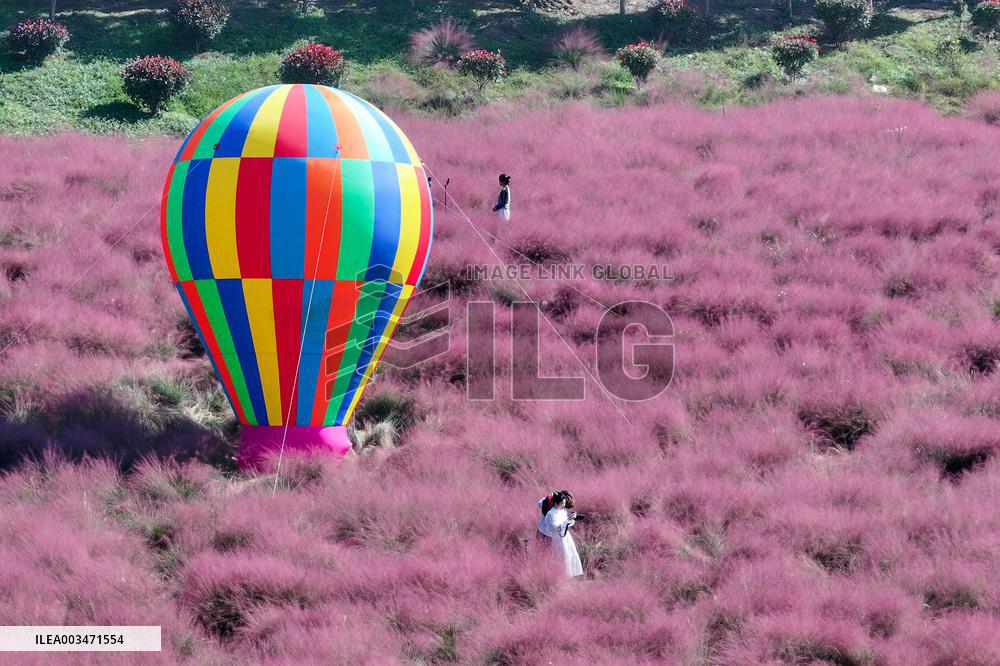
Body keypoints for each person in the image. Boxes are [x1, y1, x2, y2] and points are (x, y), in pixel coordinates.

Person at [537, 490, 583, 578]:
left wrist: (572, 519)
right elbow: (557, 528)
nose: (564, 505)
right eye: (562, 503)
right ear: (556, 503)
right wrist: (567, 520)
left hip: (565, 537)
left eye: (564, 503)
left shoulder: (563, 511)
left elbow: (566, 524)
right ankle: (558, 575)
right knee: (559, 555)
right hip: (557, 538)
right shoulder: (550, 514)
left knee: (568, 553)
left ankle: (568, 575)